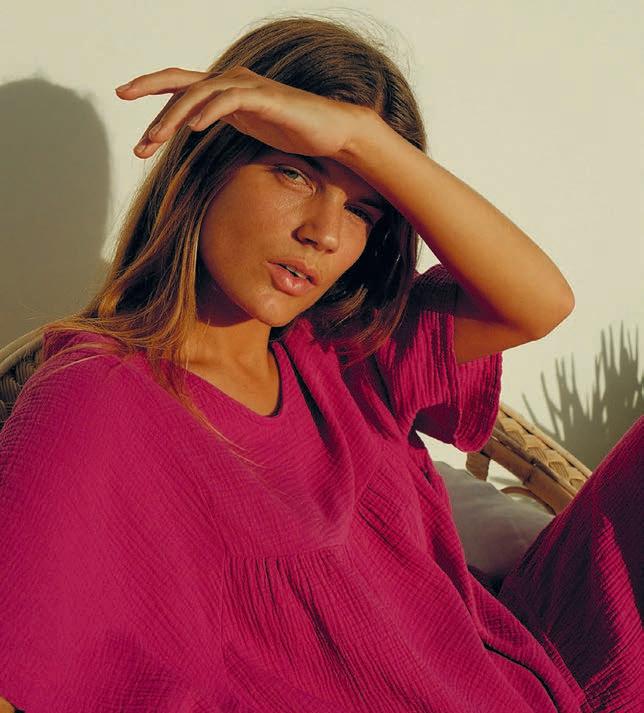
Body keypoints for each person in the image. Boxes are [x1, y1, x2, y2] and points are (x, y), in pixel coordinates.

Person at [0, 13, 641, 713]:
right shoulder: (98, 394)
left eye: (363, 209)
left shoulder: (347, 348)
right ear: (205, 160)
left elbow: (540, 303)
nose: (325, 234)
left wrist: (361, 138)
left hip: (544, 672)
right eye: (295, 173)